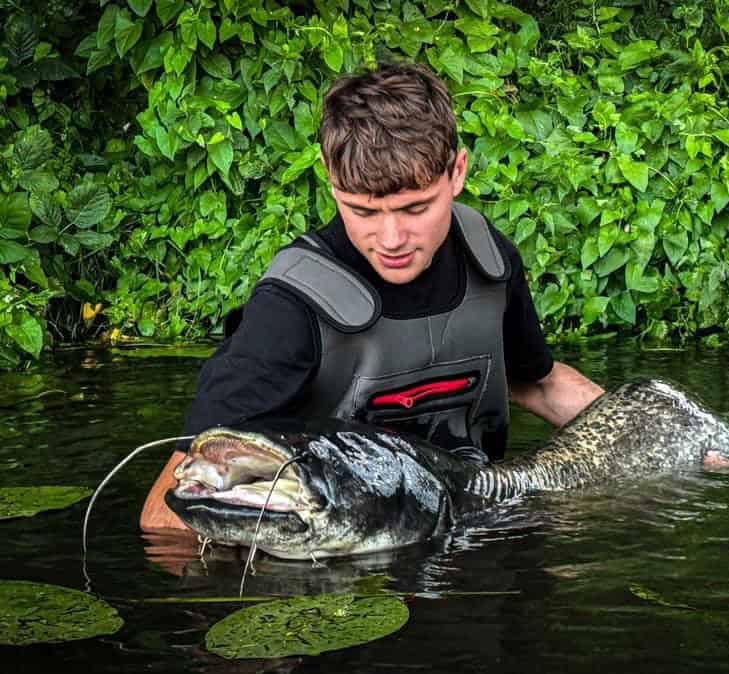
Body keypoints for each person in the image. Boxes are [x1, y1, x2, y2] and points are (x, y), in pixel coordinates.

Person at [140, 62, 604, 531]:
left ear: (458, 171)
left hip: (475, 520)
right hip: (342, 556)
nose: (391, 237)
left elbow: (540, 384)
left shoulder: (489, 258)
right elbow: (169, 512)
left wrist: (662, 441)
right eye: (362, 210)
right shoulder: (289, 310)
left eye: (415, 208)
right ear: (329, 175)